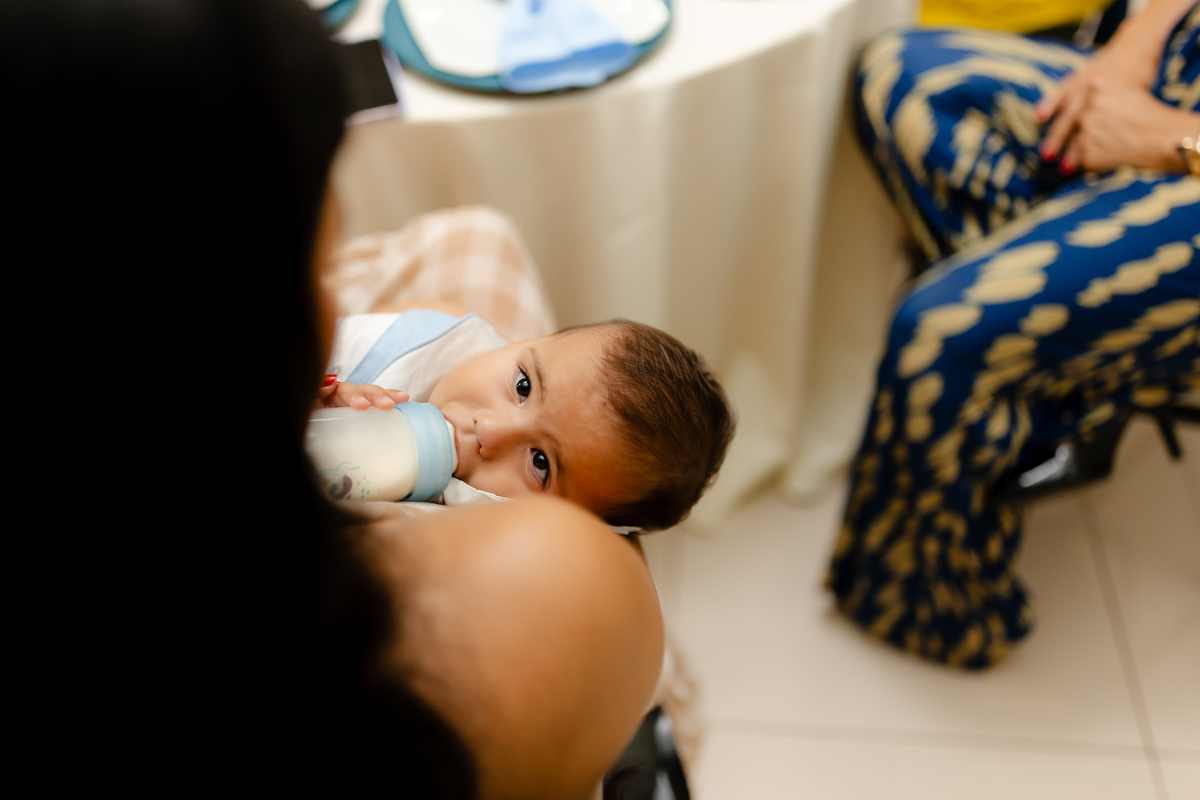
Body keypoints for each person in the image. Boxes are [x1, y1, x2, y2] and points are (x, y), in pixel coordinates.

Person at [7, 0, 665, 795]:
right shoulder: (532, 583)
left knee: (477, 237)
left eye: (541, 462)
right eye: (314, 270)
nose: (489, 430)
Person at [828, 0, 1200, 668]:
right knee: (902, 76)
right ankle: (1056, 387)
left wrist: (1173, 139)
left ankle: (940, 612)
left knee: (942, 329)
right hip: (1183, 71)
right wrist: (1135, 41)